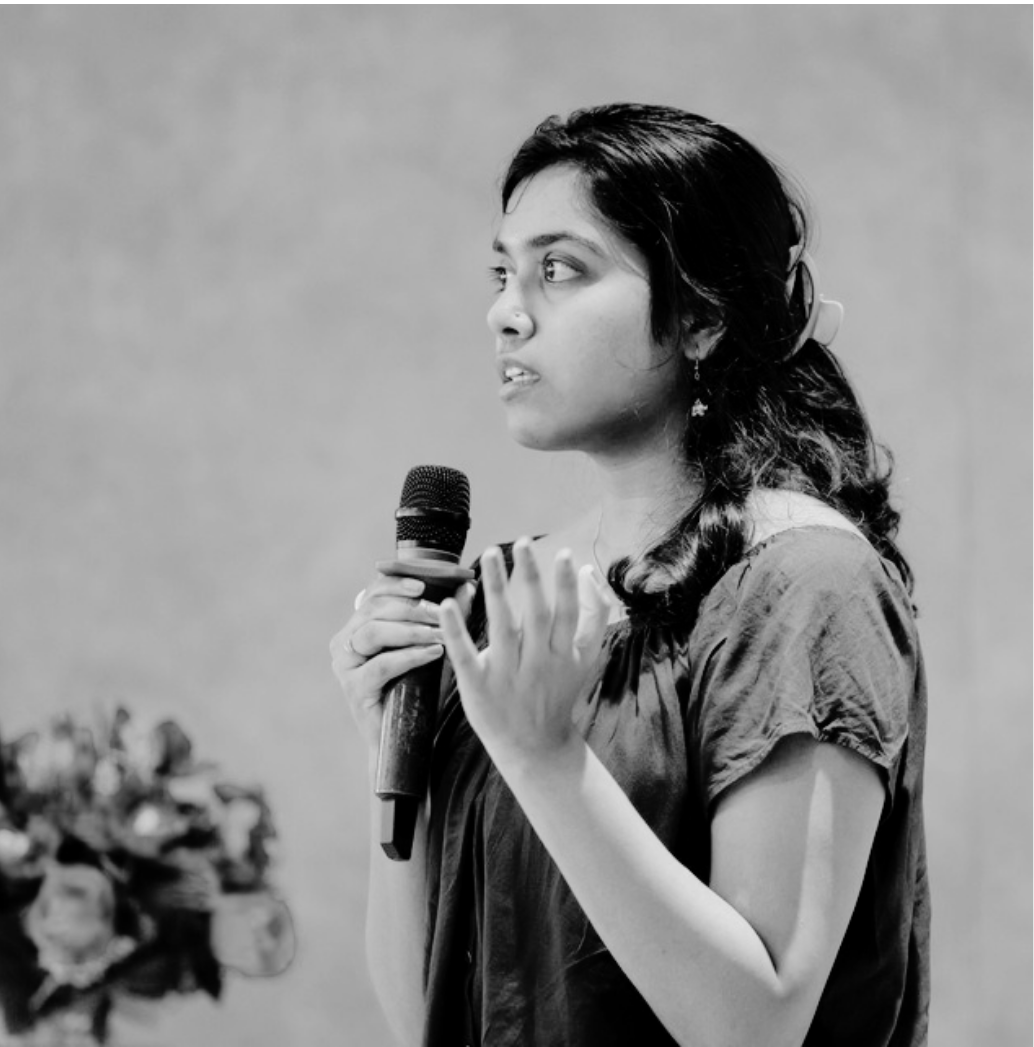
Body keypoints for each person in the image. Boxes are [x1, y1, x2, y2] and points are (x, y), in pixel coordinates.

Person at [330, 103, 930, 1047]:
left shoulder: (805, 584)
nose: (505, 311)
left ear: (701, 316)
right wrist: (393, 744)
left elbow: (754, 1028)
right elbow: (427, 1015)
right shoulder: (507, 598)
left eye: (559, 270)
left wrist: (547, 758)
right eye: (502, 272)